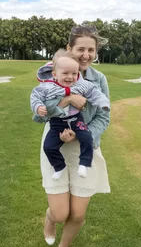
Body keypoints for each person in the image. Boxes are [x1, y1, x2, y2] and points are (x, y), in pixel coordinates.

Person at [34, 24, 111, 247]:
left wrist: (81, 134)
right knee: (59, 213)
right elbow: (39, 114)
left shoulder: (98, 80)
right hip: (56, 144)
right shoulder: (54, 73)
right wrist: (67, 100)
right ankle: (49, 220)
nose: (86, 54)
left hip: (84, 147)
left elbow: (103, 117)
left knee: (77, 214)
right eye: (81, 49)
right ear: (70, 49)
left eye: (91, 49)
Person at [30, 49, 110, 181]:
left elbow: (95, 93)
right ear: (54, 74)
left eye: (74, 73)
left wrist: (104, 104)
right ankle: (59, 166)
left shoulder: (81, 84)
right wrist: (38, 107)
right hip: (57, 123)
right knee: (48, 146)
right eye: (65, 73)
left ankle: (84, 164)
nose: (70, 77)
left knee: (87, 137)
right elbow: (35, 97)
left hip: (75, 120)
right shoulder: (47, 87)